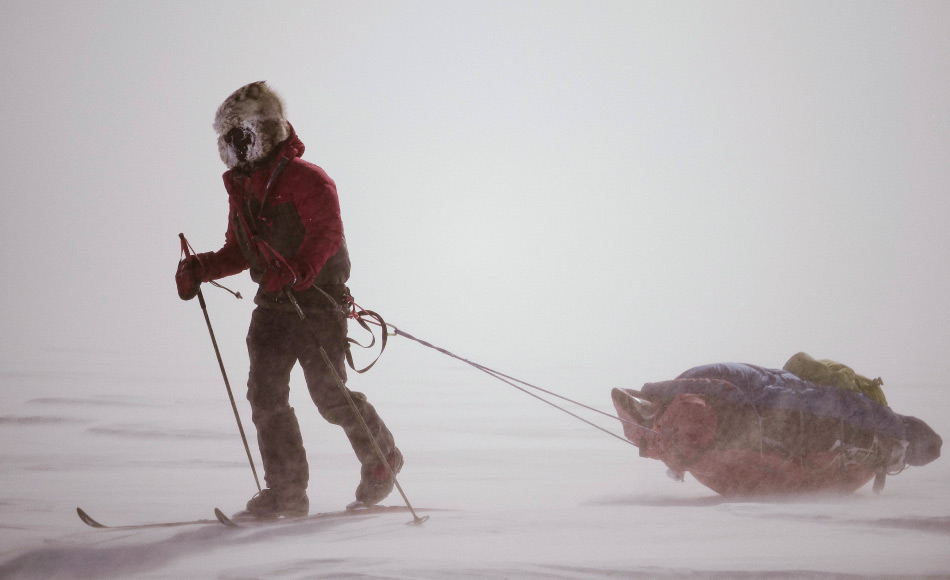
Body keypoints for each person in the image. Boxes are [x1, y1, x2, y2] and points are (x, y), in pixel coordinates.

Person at [175, 81, 402, 518]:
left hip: (317, 302)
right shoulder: (243, 192)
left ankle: (382, 459)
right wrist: (201, 268)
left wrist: (301, 269)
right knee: (265, 397)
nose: (237, 149)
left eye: (243, 137)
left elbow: (326, 233)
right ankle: (286, 493)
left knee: (328, 395)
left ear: (266, 132)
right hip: (273, 308)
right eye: (230, 141)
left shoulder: (307, 179)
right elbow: (239, 250)